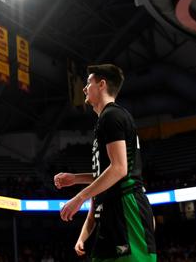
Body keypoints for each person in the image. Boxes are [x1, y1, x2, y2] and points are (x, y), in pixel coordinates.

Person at [55, 64, 156, 261]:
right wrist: (75, 178)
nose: (84, 88)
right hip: (109, 210)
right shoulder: (106, 119)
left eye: (88, 83)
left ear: (101, 85)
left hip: (126, 205)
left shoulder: (112, 116)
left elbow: (119, 169)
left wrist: (79, 198)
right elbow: (110, 171)